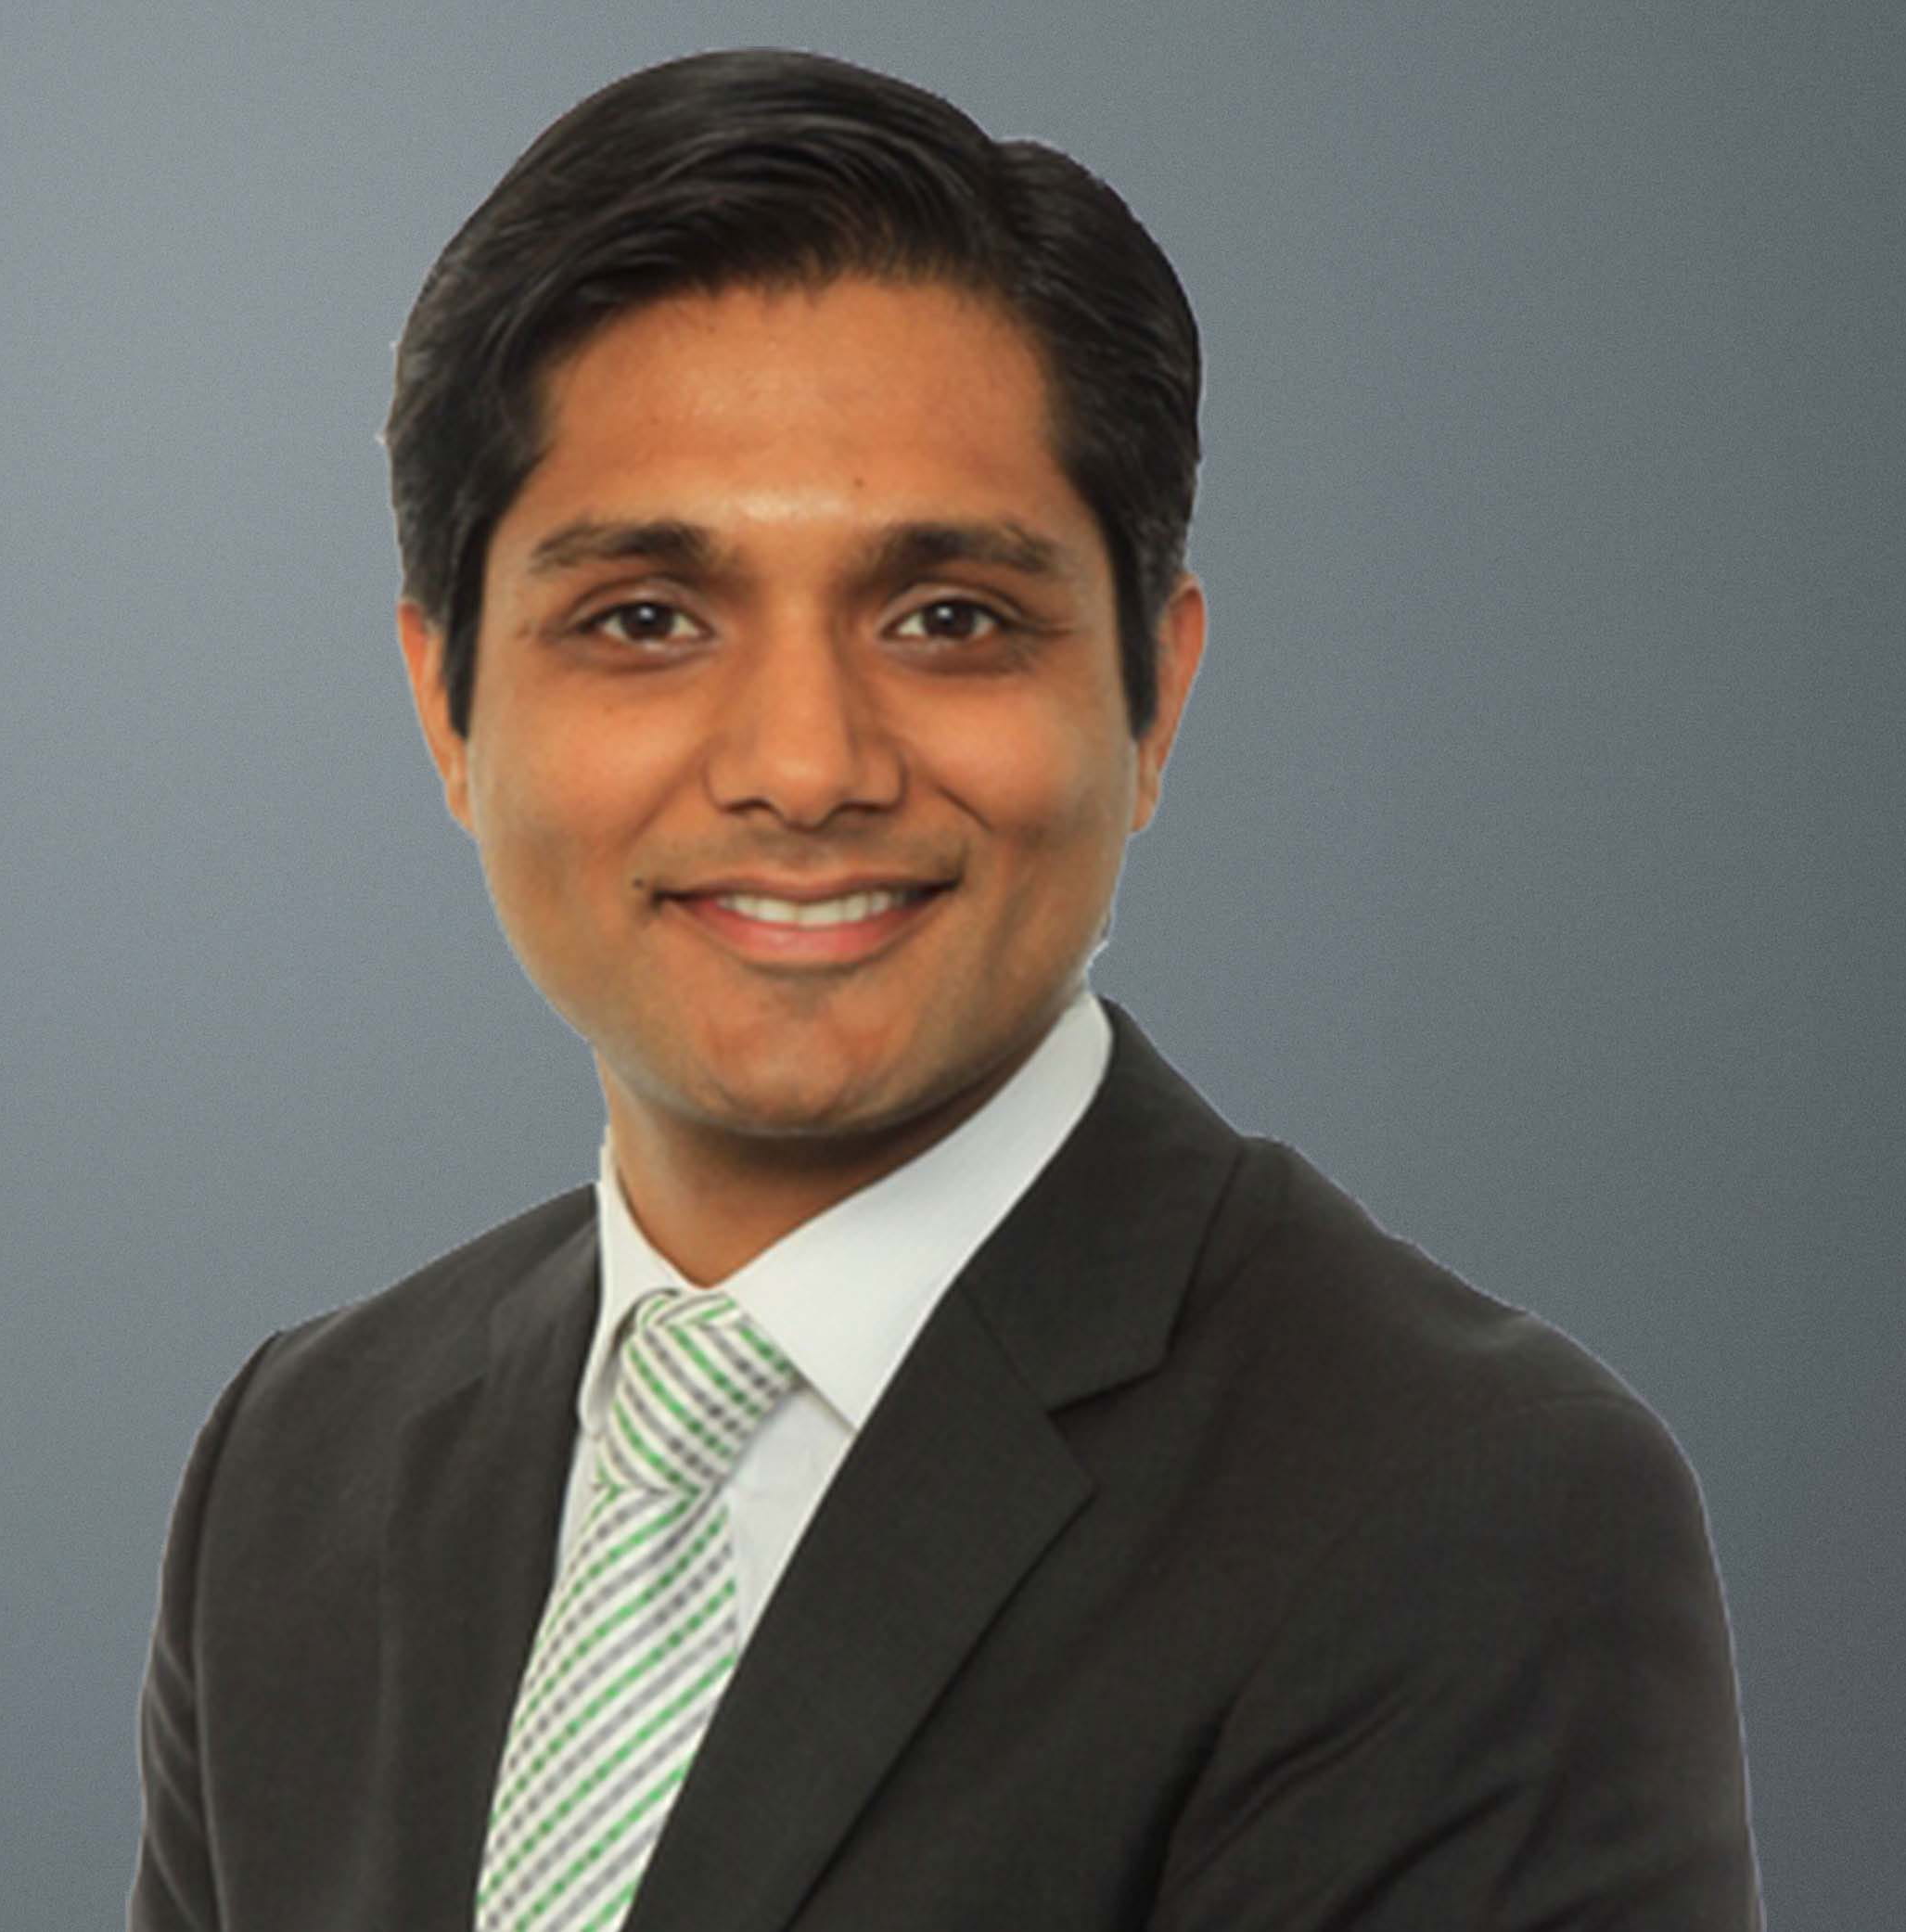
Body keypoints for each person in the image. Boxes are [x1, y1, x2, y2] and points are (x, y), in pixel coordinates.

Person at [128, 48, 1757, 1931]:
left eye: (948, 619)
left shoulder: (1462, 1513)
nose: (804, 765)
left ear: (1154, 697)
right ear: (447, 706)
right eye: (645, 619)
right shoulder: (301, 1467)